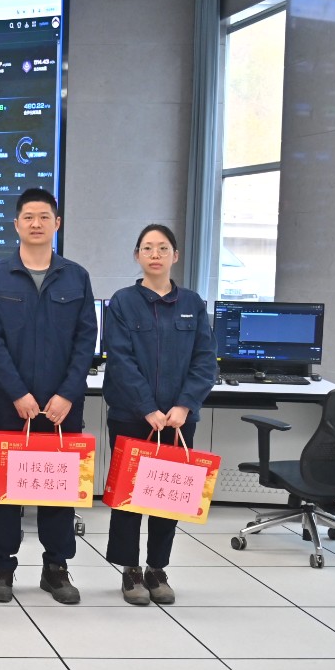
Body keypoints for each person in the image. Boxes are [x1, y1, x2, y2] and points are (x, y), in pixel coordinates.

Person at [0, 187, 97, 605]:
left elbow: (86, 341)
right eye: (28, 217)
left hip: (62, 408)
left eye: (44, 216)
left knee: (58, 490)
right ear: (16, 224)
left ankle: (56, 568)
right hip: (9, 406)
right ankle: (2, 567)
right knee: (5, 493)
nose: (36, 223)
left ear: (56, 223)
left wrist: (67, 394)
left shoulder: (76, 276)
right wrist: (17, 393)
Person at [102, 224, 218, 605]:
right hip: (131, 415)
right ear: (137, 255)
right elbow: (120, 360)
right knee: (130, 495)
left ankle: (157, 568)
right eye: (148, 248)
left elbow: (205, 360)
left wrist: (184, 405)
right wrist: (147, 408)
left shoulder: (193, 304)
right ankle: (130, 570)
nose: (155, 254)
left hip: (179, 420)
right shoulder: (123, 302)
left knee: (169, 495)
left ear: (175, 256)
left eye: (163, 248)